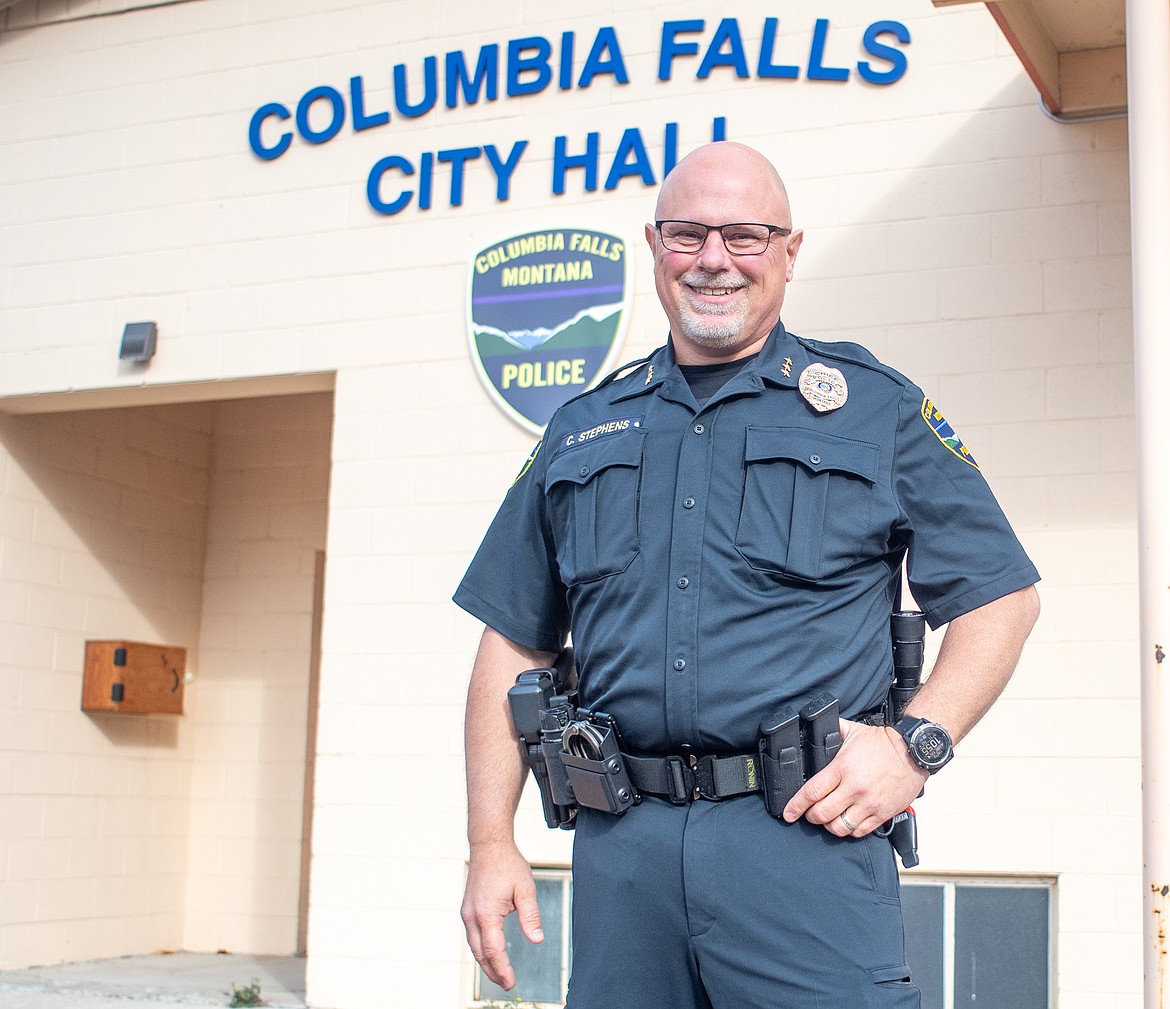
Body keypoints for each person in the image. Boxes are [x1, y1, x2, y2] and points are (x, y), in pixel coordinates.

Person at [454, 141, 1040, 1009]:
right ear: (655, 248)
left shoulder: (872, 407)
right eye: (688, 235)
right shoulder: (582, 429)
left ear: (789, 252)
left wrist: (916, 747)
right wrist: (489, 842)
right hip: (624, 855)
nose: (714, 260)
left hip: (805, 843)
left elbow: (1002, 595)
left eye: (744, 235)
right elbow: (513, 640)